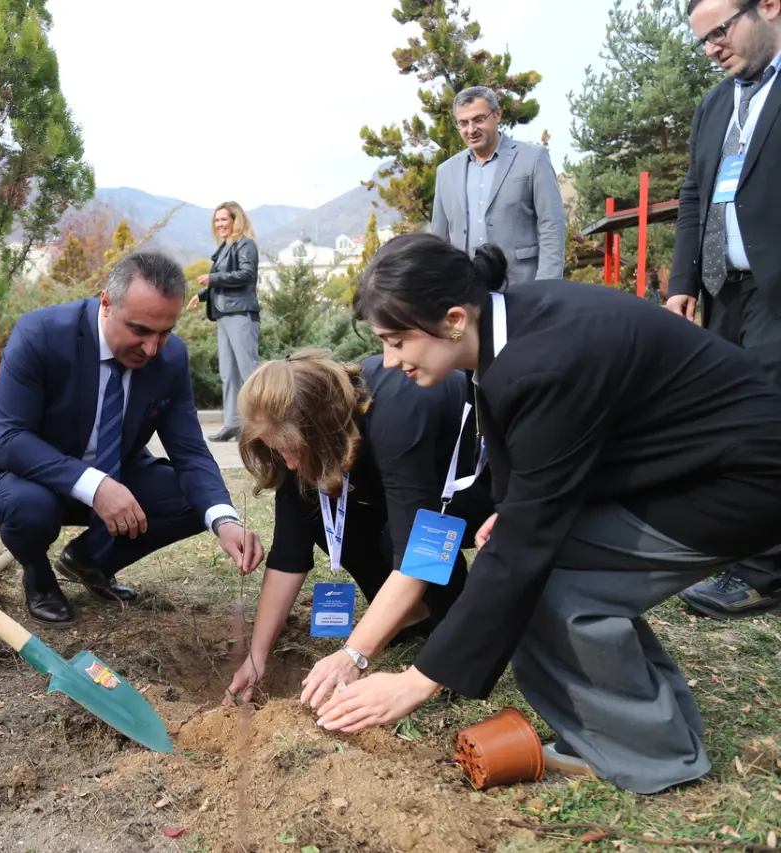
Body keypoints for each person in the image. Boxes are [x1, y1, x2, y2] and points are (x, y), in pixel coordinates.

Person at [322, 233, 781, 795]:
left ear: (452, 319)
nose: (390, 362)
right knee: (524, 564)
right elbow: (515, 480)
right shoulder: (509, 328)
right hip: (685, 464)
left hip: (740, 479)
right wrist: (513, 511)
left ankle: (647, 752)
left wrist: (419, 679)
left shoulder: (536, 363)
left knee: (546, 581)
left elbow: (521, 548)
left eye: (396, 341)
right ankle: (641, 733)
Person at [0, 252, 265, 625]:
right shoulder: (41, 334)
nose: (152, 348)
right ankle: (38, 576)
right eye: (139, 330)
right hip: (23, 474)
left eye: (165, 331)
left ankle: (89, 560)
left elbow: (189, 450)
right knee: (31, 508)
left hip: (116, 470)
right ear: (106, 302)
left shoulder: (170, 358)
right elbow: (10, 438)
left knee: (194, 502)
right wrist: (95, 485)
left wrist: (225, 521)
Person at [220, 350, 493, 706]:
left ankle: (456, 628)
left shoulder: (396, 412)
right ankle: (412, 614)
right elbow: (288, 553)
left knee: (406, 540)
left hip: (473, 486)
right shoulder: (294, 428)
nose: (287, 462)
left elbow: (422, 551)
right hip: (401, 492)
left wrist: (353, 655)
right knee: (317, 512)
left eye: (291, 450)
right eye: (277, 451)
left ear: (321, 430)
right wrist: (257, 656)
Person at [665, 0, 781, 620]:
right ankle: (747, 548)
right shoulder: (715, 103)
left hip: (776, 289)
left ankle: (762, 572)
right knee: (734, 418)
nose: (711, 47)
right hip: (723, 289)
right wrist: (682, 280)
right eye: (703, 39)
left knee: (767, 418)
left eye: (721, 30)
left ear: (767, 6)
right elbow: (693, 195)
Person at [430, 86, 565, 285]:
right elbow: (439, 239)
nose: (471, 129)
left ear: (497, 115)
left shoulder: (533, 158)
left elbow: (551, 224)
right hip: (467, 290)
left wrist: (547, 285)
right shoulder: (446, 171)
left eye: (478, 119)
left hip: (524, 285)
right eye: (463, 123)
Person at [188, 201, 261, 442]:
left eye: (224, 219)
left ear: (235, 220)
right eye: (217, 220)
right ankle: (233, 424)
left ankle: (259, 425)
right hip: (224, 314)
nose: (219, 224)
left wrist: (213, 277)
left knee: (248, 372)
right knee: (228, 373)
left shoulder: (246, 245)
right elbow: (221, 282)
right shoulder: (226, 248)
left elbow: (246, 275)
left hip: (241, 314)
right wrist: (201, 295)